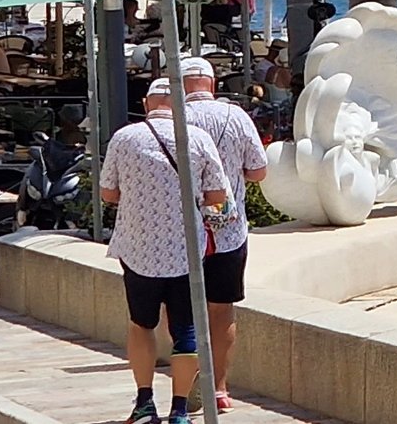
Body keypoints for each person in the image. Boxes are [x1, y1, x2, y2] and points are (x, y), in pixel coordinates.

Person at [98, 80, 228, 424]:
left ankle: (144, 404)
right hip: (185, 252)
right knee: (185, 328)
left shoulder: (124, 138)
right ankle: (180, 410)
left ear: (146, 104)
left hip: (137, 250)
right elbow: (218, 195)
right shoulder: (197, 138)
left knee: (141, 324)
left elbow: (108, 194)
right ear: (180, 105)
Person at [176, 57, 269, 414]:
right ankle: (218, 388)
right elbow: (259, 171)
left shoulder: (174, 120)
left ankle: (188, 381)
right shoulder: (236, 116)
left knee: (181, 307)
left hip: (181, 231)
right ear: (212, 85)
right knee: (222, 308)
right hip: (227, 230)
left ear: (180, 85)